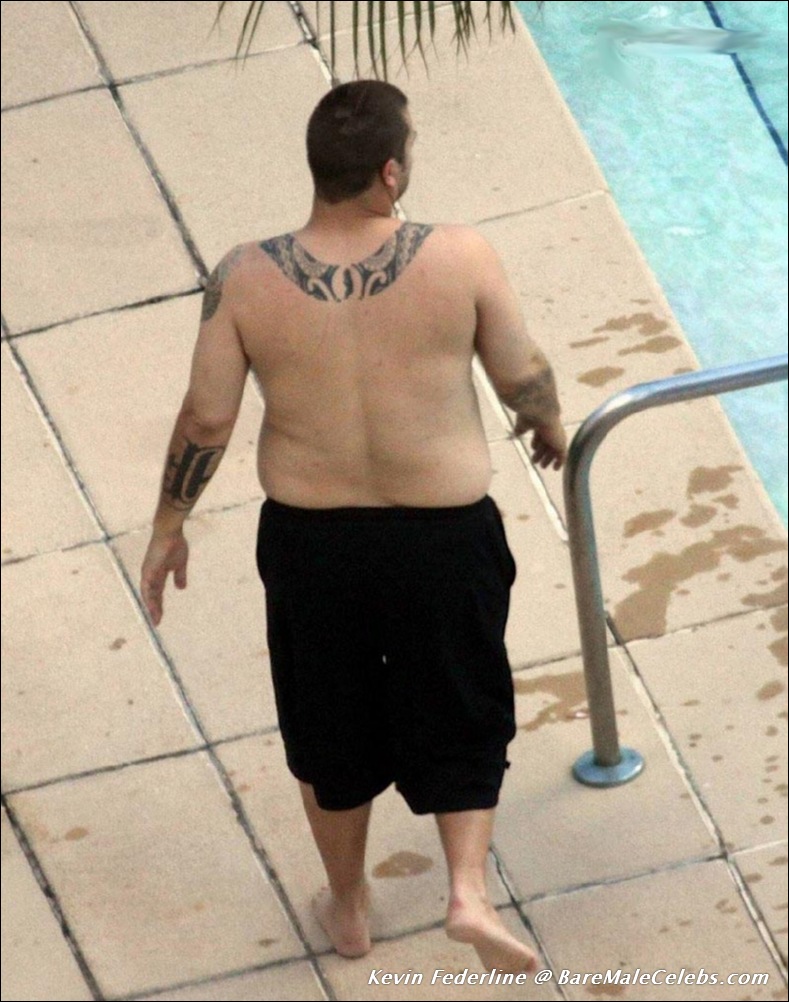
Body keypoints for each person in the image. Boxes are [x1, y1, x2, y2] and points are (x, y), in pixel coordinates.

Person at [140, 80, 567, 974]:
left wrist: (169, 524)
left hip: (314, 543)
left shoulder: (245, 276)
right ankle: (467, 894)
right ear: (390, 172)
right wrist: (548, 424)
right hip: (443, 536)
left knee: (327, 725)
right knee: (461, 706)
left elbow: (207, 418)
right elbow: (519, 372)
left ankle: (348, 909)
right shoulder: (460, 256)